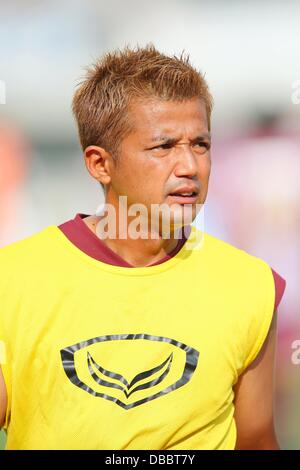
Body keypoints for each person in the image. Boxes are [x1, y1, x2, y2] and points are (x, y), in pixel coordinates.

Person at [0, 44, 286, 450]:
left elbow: (256, 440)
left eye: (201, 144)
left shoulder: (251, 285)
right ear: (100, 164)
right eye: (164, 147)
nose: (190, 166)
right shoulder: (12, 280)